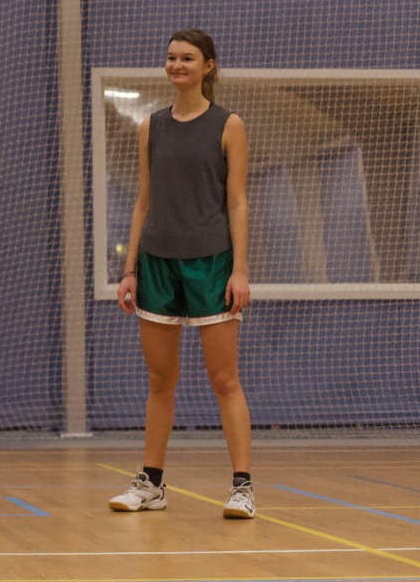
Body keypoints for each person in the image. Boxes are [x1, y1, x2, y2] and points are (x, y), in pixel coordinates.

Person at [108, 28, 254, 519]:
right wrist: (128, 270)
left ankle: (242, 487)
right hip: (156, 264)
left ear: (208, 66)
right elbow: (144, 200)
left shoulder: (228, 124)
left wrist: (240, 270)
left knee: (224, 378)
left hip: (212, 263)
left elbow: (237, 201)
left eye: (187, 58)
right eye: (170, 58)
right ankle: (150, 484)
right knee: (160, 379)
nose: (176, 65)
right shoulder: (150, 126)